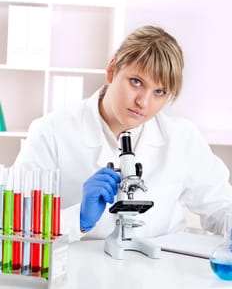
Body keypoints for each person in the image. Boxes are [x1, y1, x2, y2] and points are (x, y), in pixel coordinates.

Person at [15, 25, 232, 242]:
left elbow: (221, 208)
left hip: (161, 271)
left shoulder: (182, 137)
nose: (143, 102)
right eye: (136, 82)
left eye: (159, 92)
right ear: (112, 70)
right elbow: (17, 223)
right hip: (79, 270)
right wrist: (78, 219)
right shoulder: (51, 132)